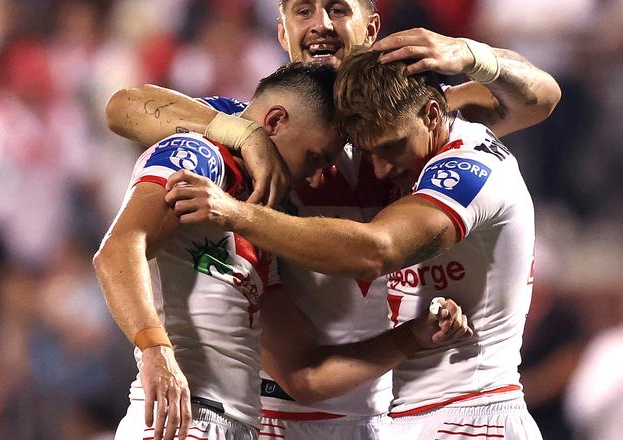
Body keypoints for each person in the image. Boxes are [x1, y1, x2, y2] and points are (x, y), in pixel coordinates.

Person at [104, 0, 560, 439]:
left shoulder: (409, 126)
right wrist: (242, 133)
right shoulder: (262, 127)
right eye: (303, 11)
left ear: (372, 26)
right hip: (262, 412)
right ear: (282, 33)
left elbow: (540, 97)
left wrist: (470, 54)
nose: (320, 23)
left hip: (367, 415)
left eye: (338, 9)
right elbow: (122, 108)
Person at [164, 49, 545, 438]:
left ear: (432, 115)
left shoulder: (468, 166)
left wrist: (234, 213)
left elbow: (374, 251)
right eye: (370, 153)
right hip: (414, 416)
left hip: (474, 414)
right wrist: (242, 132)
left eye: (390, 147)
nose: (381, 169)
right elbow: (127, 106)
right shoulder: (295, 123)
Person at [94, 61, 472, 440]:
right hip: (182, 418)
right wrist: (155, 350)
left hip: (231, 425)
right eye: (315, 157)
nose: (315, 177)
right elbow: (118, 248)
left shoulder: (258, 216)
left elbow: (304, 376)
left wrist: (414, 336)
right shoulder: (201, 154)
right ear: (274, 122)